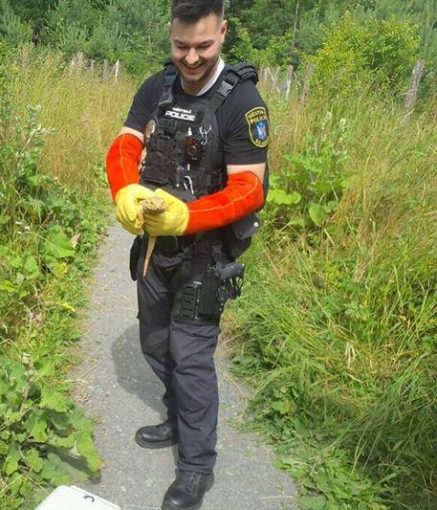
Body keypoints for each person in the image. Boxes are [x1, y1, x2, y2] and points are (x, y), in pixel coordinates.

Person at [104, 1, 269, 509]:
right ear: (170, 35)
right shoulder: (157, 87)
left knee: (191, 359)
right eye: (181, 46)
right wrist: (124, 188)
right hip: (155, 250)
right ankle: (177, 419)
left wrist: (187, 217)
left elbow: (250, 188)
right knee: (155, 343)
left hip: (205, 257)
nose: (191, 58)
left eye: (203, 46)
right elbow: (126, 142)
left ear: (223, 32)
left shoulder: (242, 102)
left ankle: (197, 468)